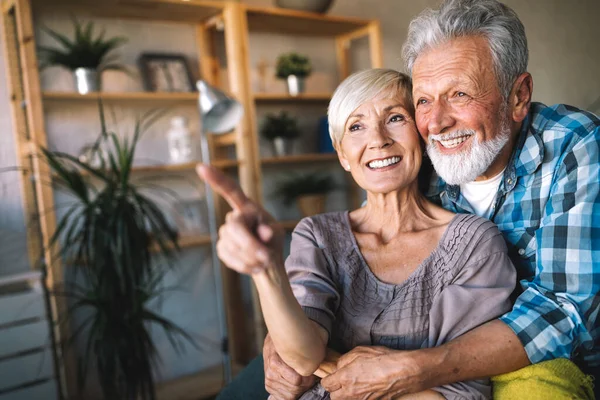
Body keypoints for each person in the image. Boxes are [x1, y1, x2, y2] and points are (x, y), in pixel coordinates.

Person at [258, 0, 599, 398]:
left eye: (459, 94)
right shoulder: (424, 154)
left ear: (518, 96)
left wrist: (416, 369)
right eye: (423, 100)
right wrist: (282, 335)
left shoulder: (575, 145)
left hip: (545, 355)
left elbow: (568, 313)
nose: (436, 123)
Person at [201, 68, 517, 399]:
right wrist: (267, 270)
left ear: (422, 137)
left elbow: (463, 392)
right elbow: (303, 357)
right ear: (343, 155)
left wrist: (337, 367)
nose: (378, 140)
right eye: (356, 126)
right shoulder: (319, 235)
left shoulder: (473, 242)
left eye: (395, 118)